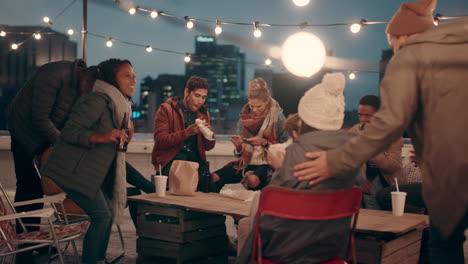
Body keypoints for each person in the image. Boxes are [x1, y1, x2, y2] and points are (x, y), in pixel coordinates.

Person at [293, 0, 468, 262]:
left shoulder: (411, 56)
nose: (393, 49)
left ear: (405, 35)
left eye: (393, 42)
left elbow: (388, 123)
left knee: (443, 243)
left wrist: (335, 161)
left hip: (454, 176)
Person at [237, 73, 365, 264]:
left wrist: (280, 168)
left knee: (254, 216)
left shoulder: (294, 153)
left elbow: (271, 221)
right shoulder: (355, 153)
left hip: (285, 252)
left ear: (305, 117)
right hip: (331, 250)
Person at [41, 58, 136, 264]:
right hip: (70, 170)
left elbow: (114, 146)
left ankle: (98, 259)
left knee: (105, 216)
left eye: (134, 76)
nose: (133, 81)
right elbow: (70, 132)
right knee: (101, 217)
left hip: (89, 174)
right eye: (127, 76)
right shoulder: (97, 100)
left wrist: (124, 135)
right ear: (112, 79)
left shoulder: (118, 106)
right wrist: (102, 136)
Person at [212, 78, 289, 191]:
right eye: (252, 105)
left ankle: (257, 206)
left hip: (268, 164)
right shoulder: (244, 118)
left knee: (253, 179)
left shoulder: (278, 117)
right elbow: (239, 155)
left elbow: (286, 147)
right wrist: (238, 146)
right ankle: (214, 205)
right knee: (214, 177)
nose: (255, 109)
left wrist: (266, 143)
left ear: (267, 102)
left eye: (259, 106)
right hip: (246, 162)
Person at [151, 75, 215, 185]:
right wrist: (186, 133)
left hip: (196, 164)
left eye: (203, 97)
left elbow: (208, 147)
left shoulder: (204, 114)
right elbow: (160, 140)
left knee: (213, 188)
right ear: (186, 92)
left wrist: (208, 136)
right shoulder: (166, 109)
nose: (200, 101)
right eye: (197, 96)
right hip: (171, 163)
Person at [349, 95, 403, 209]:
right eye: (360, 115)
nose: (363, 119)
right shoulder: (354, 131)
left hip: (385, 181)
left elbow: (392, 166)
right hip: (361, 179)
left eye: (367, 115)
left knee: (373, 188)